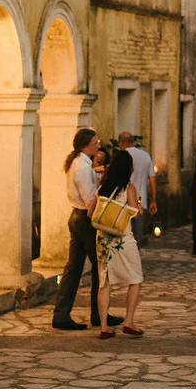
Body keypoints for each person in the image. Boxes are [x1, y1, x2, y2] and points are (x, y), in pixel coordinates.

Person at [53, 128, 122, 330]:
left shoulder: (81, 164)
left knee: (74, 268)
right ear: (85, 146)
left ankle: (63, 313)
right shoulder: (82, 167)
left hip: (77, 216)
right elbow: (90, 198)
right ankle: (98, 313)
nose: (98, 146)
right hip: (85, 219)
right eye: (95, 143)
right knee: (99, 267)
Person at [92, 150, 145, 338]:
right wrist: (138, 207)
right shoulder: (129, 188)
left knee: (104, 282)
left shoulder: (102, 188)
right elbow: (134, 212)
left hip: (103, 239)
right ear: (128, 169)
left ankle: (104, 326)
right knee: (136, 278)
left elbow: (91, 211)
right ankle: (129, 320)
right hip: (123, 238)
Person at [117, 131, 157, 247]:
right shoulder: (145, 156)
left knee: (124, 238)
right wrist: (153, 200)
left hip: (123, 203)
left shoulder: (120, 156)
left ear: (120, 142)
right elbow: (152, 180)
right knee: (137, 238)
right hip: (141, 202)